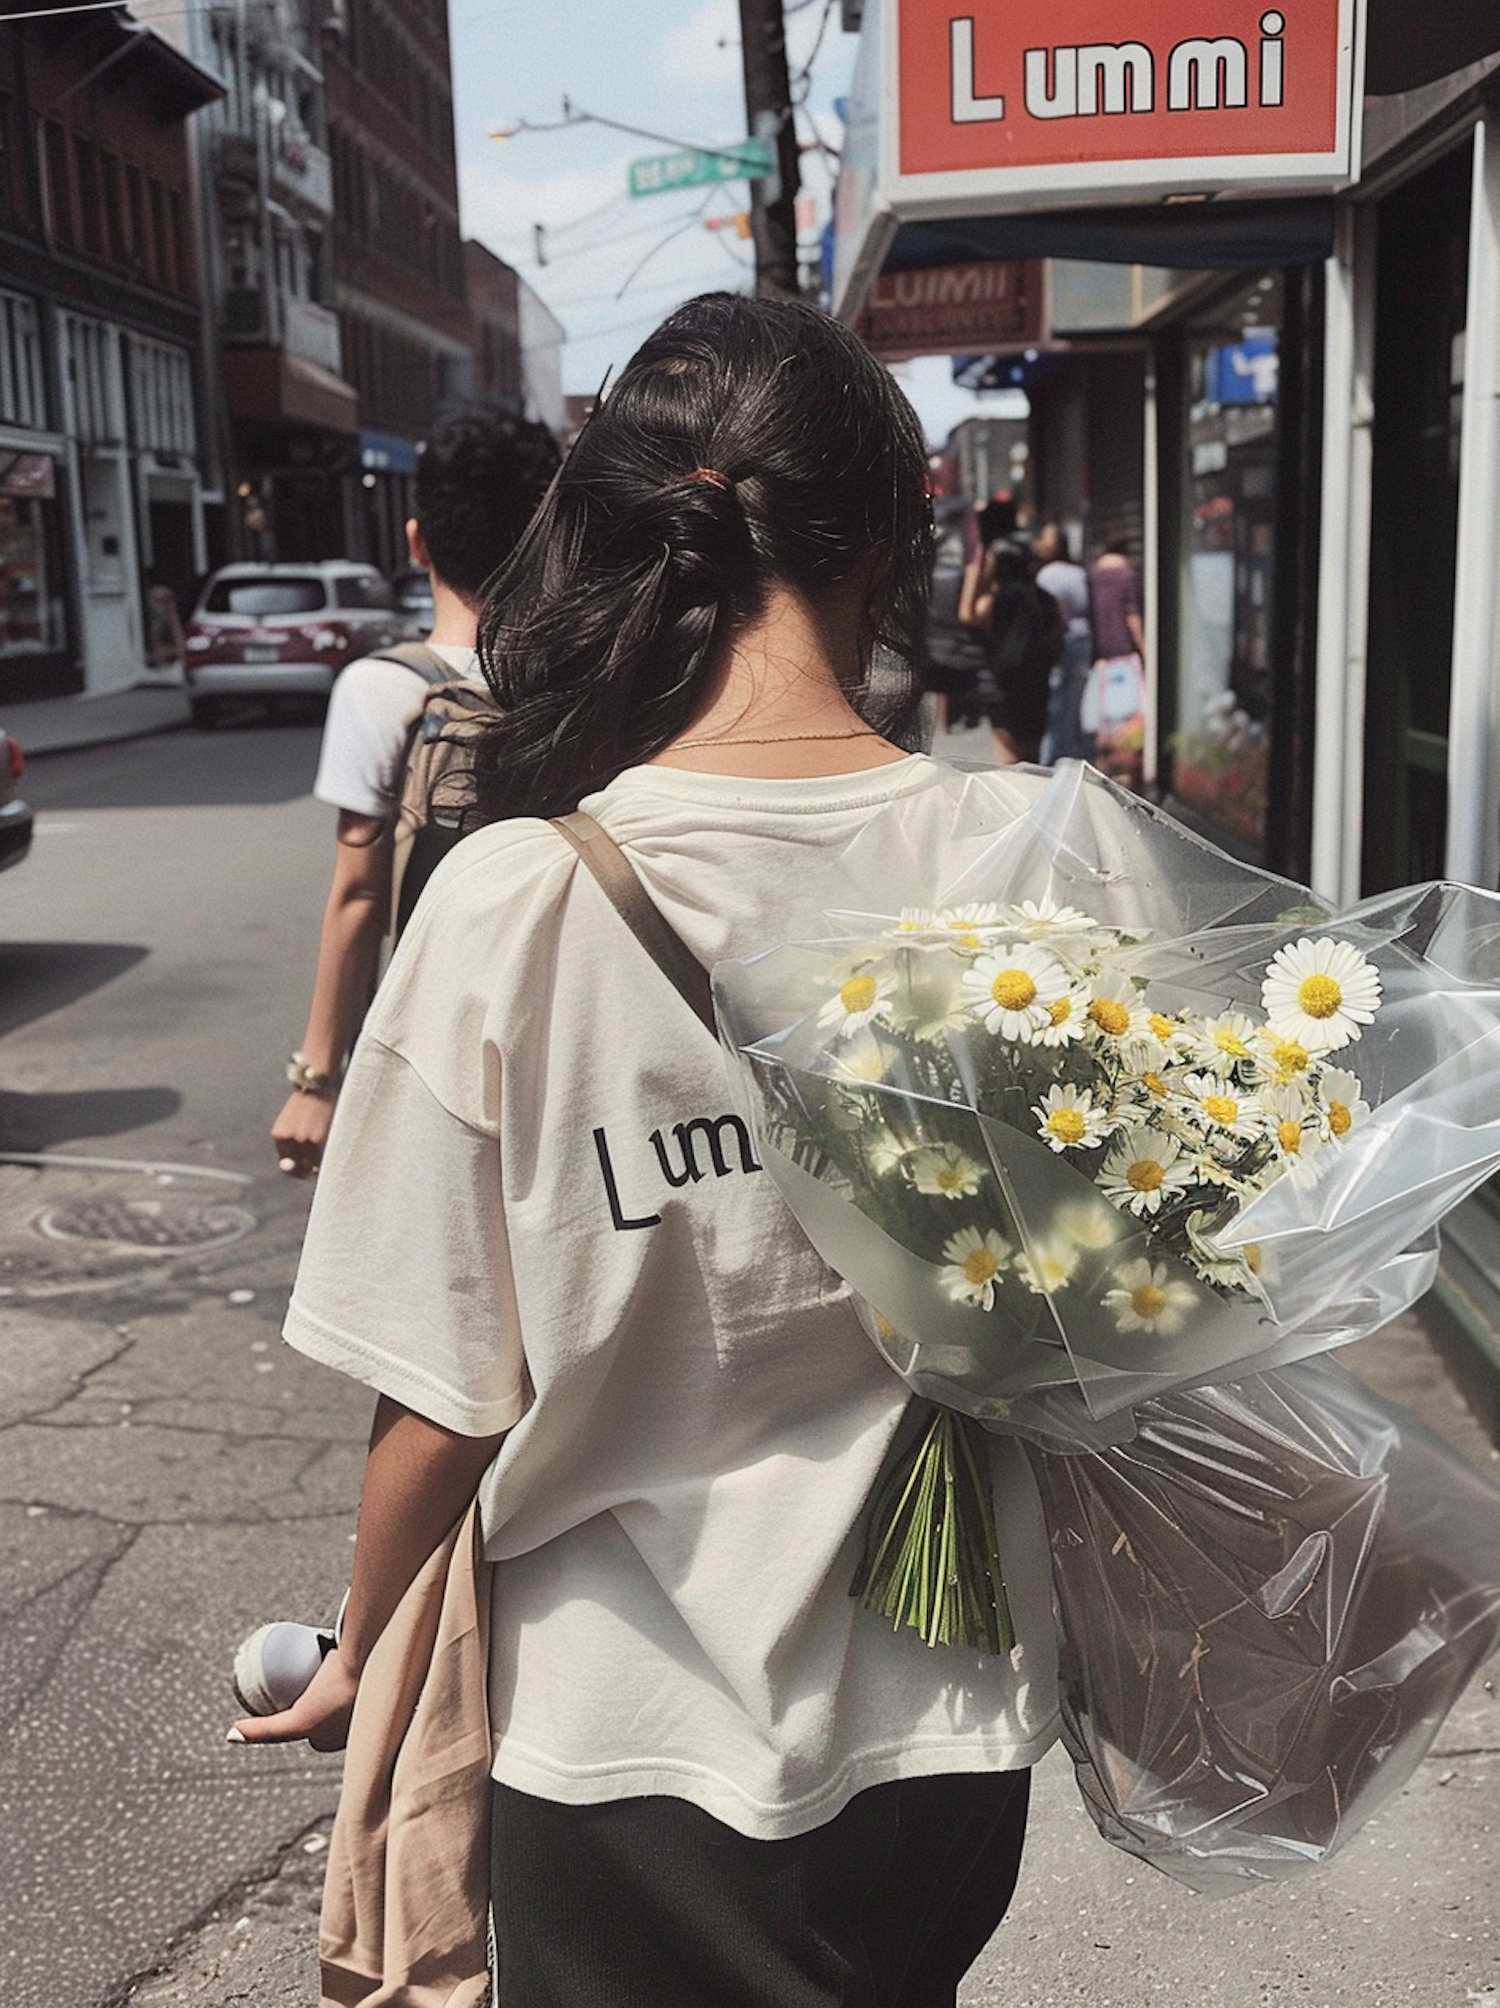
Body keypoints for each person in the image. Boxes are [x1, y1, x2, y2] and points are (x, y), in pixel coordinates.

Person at [231, 293, 1058, 2006]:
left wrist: (366, 1644)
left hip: (622, 1741)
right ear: (904, 521)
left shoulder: (518, 907)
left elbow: (447, 1393)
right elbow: (1118, 1295)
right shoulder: (1034, 857)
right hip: (956, 1711)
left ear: (613, 535)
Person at [270, 406, 559, 1180]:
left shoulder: (380, 689)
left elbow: (360, 896)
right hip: (570, 1033)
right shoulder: (588, 678)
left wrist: (317, 1080)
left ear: (416, 540)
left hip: (431, 1038)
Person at [958, 514, 1062, 764]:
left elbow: (966, 615)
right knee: (1032, 760)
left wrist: (974, 573)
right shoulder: (1046, 599)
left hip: (1002, 685)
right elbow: (1059, 636)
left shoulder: (993, 601)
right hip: (1036, 685)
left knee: (1008, 762)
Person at [1084, 534, 1147, 785]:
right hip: (1125, 655)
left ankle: (1102, 780)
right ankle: (1126, 779)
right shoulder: (1126, 574)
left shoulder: (1093, 573)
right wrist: (1145, 650)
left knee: (1103, 721)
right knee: (1129, 719)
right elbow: (1132, 616)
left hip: (1101, 657)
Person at [1032, 523, 1093, 764]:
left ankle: (1052, 754)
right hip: (1083, 638)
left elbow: (1045, 613)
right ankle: (1073, 750)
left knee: (1056, 699)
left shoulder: (1046, 576)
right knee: (1075, 699)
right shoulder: (1078, 573)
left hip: (1057, 640)